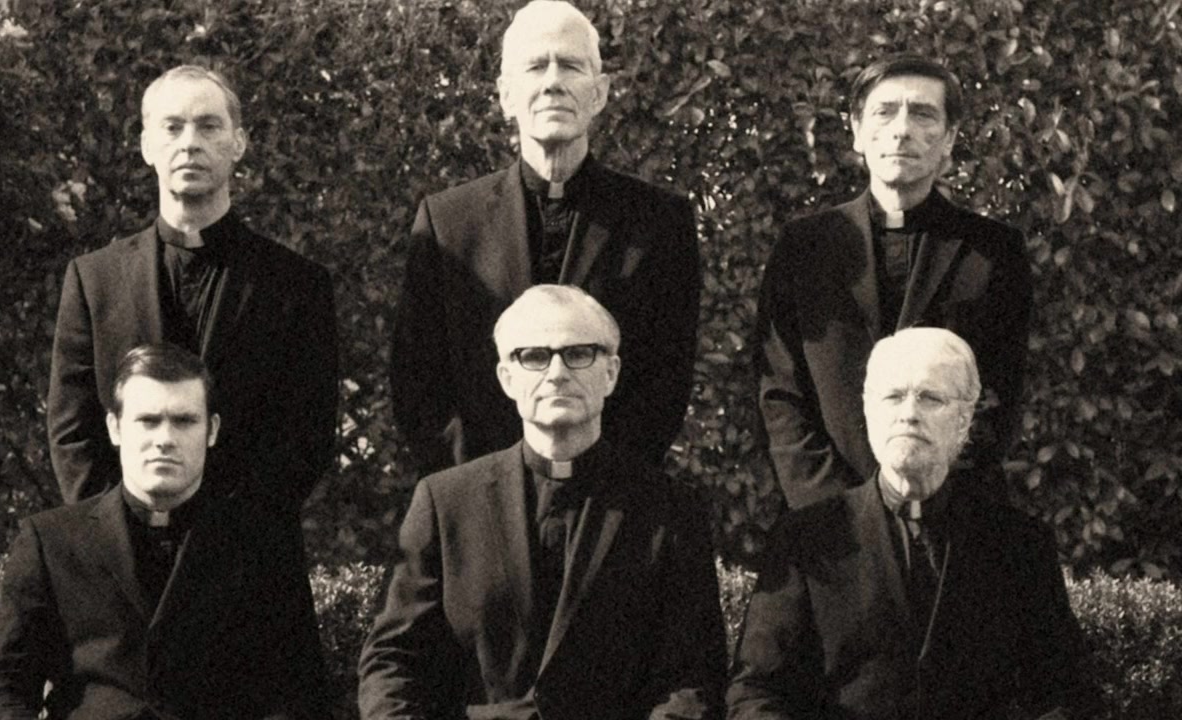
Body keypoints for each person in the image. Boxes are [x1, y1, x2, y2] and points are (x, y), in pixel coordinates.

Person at [360, 285, 726, 720]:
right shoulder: (445, 503)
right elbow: (393, 663)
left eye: (578, 353)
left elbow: (692, 679)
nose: (556, 373)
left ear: (611, 373)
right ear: (506, 378)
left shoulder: (670, 511)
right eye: (533, 356)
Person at [390, 0, 700, 475]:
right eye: (536, 66)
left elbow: (665, 381)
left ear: (599, 93)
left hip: (611, 497)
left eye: (571, 66)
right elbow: (418, 382)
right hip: (478, 496)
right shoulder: (447, 224)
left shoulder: (659, 224)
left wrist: (607, 480)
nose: (553, 82)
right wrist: (476, 487)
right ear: (506, 95)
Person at [727, 328, 1092, 719]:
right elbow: (754, 693)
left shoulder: (1018, 545)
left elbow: (1069, 696)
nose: (909, 414)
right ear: (869, 413)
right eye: (893, 397)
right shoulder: (808, 541)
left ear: (965, 419)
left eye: (930, 398)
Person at [0, 344, 333, 720]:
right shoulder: (52, 542)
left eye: (184, 421)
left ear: (212, 430)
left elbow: (300, 692)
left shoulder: (263, 544)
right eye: (148, 420)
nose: (165, 439)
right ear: (115, 428)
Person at [47, 64, 339, 511]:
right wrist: (116, 532)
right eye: (172, 127)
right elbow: (73, 432)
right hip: (118, 544)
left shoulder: (296, 285)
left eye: (208, 126)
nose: (189, 143)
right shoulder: (94, 280)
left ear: (238, 143)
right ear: (147, 146)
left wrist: (225, 533)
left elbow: (306, 436)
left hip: (249, 543)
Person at [754, 53, 1032, 509]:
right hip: (829, 519)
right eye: (884, 112)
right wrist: (841, 508)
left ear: (949, 138)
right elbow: (781, 392)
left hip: (954, 515)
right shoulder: (803, 248)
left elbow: (999, 394)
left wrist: (928, 494)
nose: (902, 129)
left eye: (923, 114)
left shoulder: (993, 252)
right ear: (857, 131)